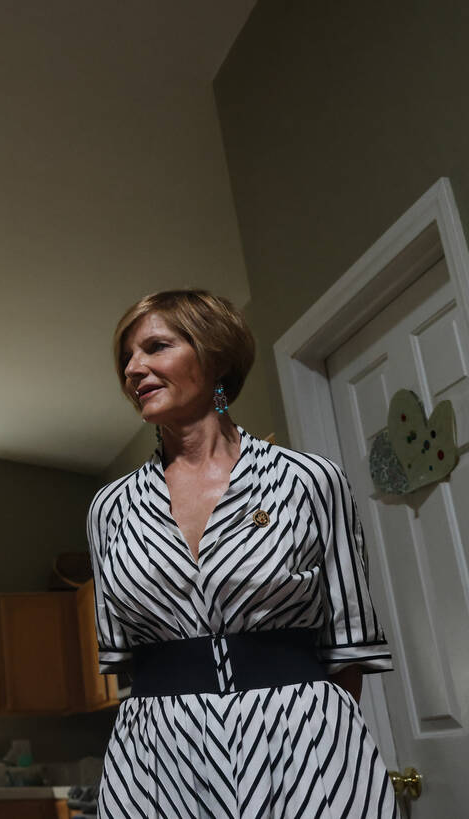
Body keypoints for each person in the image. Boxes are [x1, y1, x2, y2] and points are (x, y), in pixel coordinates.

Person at [87, 290, 396, 818]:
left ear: (215, 354)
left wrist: (322, 744)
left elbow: (349, 645)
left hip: (308, 744)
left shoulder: (308, 481)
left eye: (155, 347)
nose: (134, 369)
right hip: (159, 760)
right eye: (126, 359)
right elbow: (124, 661)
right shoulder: (110, 508)